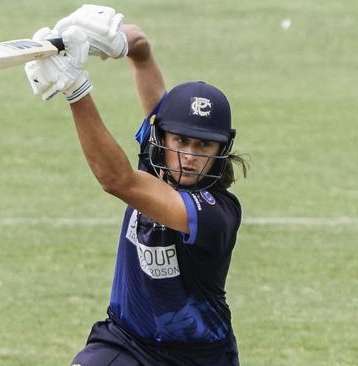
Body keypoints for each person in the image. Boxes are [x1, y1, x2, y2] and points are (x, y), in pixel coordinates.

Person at [24, 5, 248, 366]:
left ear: (222, 150)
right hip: (125, 342)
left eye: (203, 145)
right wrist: (109, 42)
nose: (188, 155)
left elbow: (117, 180)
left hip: (198, 357)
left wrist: (76, 89)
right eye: (181, 141)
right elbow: (142, 50)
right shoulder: (157, 157)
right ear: (162, 136)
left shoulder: (217, 214)